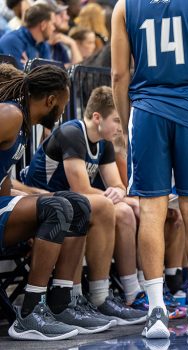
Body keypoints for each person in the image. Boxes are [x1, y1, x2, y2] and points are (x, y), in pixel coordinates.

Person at [111, 0, 188, 338]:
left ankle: (156, 312)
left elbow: (119, 75)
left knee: (151, 212)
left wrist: (125, 122)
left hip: (147, 112)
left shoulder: (124, 6)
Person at [0, 65, 112, 340]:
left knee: (76, 204)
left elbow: (3, 184)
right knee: (58, 206)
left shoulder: (23, 124)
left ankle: (63, 303)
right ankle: (30, 313)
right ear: (50, 100)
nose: (63, 112)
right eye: (62, 104)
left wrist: (32, 205)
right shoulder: (11, 114)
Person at [22, 86, 147, 325]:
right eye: (117, 120)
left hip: (71, 202)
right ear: (97, 117)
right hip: (41, 202)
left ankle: (130, 292)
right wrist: (113, 194)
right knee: (106, 206)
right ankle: (85, 296)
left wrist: (119, 192)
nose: (121, 128)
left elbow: (118, 186)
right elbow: (80, 189)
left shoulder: (104, 142)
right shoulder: (72, 132)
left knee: (125, 212)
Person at [0, 3, 54, 68]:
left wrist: (30, 69)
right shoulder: (11, 41)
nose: (54, 28)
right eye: (52, 24)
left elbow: (50, 73)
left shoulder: (43, 44)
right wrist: (33, 70)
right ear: (43, 25)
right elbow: (15, 76)